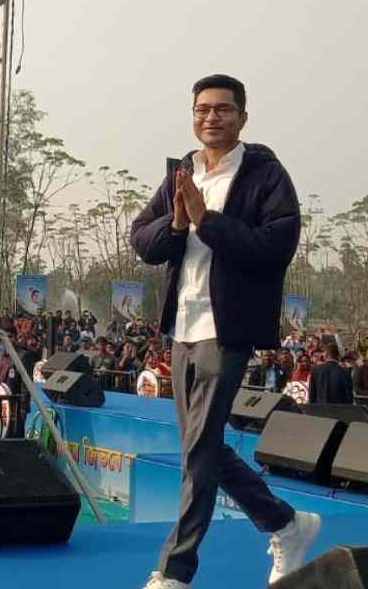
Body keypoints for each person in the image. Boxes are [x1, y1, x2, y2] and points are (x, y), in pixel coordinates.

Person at [130, 74, 318, 588]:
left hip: (227, 325)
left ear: (242, 117)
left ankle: (174, 571)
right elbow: (141, 241)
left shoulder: (265, 175)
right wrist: (174, 224)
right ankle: (284, 522)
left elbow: (277, 245)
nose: (211, 117)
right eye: (203, 109)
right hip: (182, 325)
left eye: (223, 109)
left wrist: (206, 221)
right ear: (192, 115)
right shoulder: (180, 172)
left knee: (198, 449)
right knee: (201, 444)